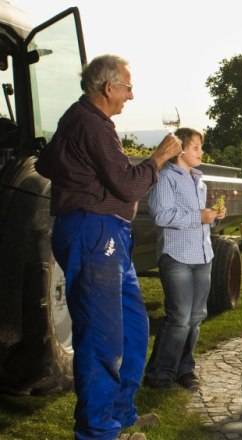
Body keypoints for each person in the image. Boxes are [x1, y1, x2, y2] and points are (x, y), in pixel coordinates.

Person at [34, 55, 182, 440]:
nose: (131, 96)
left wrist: (83, 177)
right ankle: (98, 431)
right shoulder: (94, 126)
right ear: (108, 87)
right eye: (128, 87)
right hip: (94, 231)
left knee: (133, 328)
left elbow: (48, 164)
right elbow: (130, 186)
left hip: (109, 233)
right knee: (103, 337)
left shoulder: (75, 119)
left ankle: (120, 413)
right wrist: (159, 157)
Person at [143, 128, 225, 389]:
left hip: (203, 255)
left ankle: (184, 369)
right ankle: (159, 373)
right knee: (178, 317)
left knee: (197, 316)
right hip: (176, 257)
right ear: (180, 149)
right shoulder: (166, 178)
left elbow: (198, 220)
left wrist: (211, 218)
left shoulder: (198, 180)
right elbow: (162, 216)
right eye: (196, 147)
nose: (201, 152)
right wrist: (198, 217)